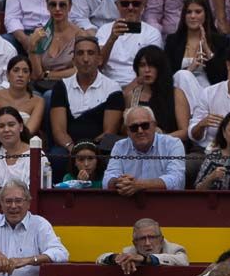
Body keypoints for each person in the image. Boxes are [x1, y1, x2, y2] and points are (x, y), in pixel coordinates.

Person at [48, 36, 123, 173]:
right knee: (57, 156)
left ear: (99, 59)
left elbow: (108, 132)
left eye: (91, 53)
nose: (85, 59)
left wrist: (88, 152)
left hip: (99, 148)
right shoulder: (61, 86)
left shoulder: (113, 88)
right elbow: (59, 131)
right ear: (73, 60)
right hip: (69, 148)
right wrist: (74, 149)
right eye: (80, 53)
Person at [103, 105, 187, 193]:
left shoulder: (173, 144)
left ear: (154, 125)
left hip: (164, 202)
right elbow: (107, 179)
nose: (140, 131)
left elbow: (177, 180)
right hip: (129, 202)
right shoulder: (119, 146)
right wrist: (118, 182)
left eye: (145, 125)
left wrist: (141, 185)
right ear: (127, 130)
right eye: (134, 127)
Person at [166, 0, 230, 96]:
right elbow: (167, 76)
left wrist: (207, 51)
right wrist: (190, 69)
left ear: (206, 14)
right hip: (180, 95)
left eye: (198, 12)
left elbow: (222, 77)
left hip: (210, 93)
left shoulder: (220, 41)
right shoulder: (173, 41)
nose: (192, 16)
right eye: (189, 12)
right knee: (182, 75)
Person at [95, 0, 163, 84]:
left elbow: (150, 70)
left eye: (136, 3)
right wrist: (112, 39)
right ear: (117, 5)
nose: (130, 8)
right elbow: (98, 64)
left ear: (143, 5)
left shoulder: (152, 33)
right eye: (125, 3)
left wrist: (128, 90)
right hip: (107, 84)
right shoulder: (104, 30)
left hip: (139, 84)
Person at [123, 45, 191, 144]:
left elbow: (185, 132)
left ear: (161, 68)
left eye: (151, 65)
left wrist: (157, 139)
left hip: (169, 148)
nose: (147, 70)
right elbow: (126, 132)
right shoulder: (132, 96)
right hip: (141, 149)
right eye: (142, 65)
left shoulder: (176, 94)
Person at [27, 0, 83, 86]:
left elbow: (79, 70)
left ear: (70, 7)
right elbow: (36, 75)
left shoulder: (80, 35)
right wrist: (32, 48)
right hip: (42, 86)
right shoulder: (40, 35)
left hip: (70, 86)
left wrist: (48, 74)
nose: (57, 9)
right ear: (47, 7)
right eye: (53, 4)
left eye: (62, 5)